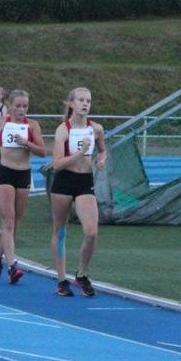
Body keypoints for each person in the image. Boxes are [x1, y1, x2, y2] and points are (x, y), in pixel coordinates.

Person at [0, 90, 46, 284]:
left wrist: (27, 143)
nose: (21, 110)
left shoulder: (32, 125)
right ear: (10, 106)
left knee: (15, 223)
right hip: (5, 173)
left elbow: (43, 151)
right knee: (8, 221)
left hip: (24, 174)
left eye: (25, 106)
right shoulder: (1, 122)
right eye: (18, 106)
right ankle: (12, 266)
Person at [50, 87, 107, 297]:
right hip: (64, 181)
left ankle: (81, 274)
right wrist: (81, 153)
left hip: (85, 181)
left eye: (88, 101)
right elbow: (56, 164)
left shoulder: (96, 129)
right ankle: (61, 280)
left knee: (91, 232)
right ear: (71, 103)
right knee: (60, 231)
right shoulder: (63, 130)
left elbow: (102, 150)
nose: (85, 104)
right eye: (81, 100)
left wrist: (101, 160)